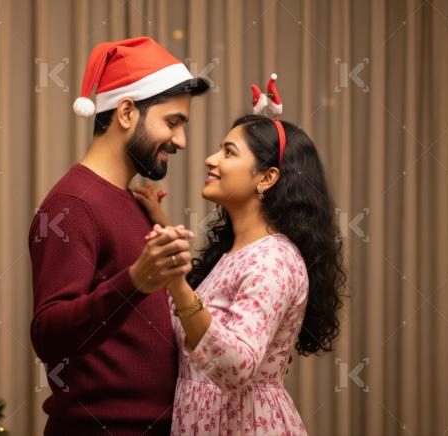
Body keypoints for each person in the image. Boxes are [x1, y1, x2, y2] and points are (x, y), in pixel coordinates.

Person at [134, 76, 346, 435]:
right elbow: (208, 323)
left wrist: (177, 284)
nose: (210, 159)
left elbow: (235, 366)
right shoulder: (234, 255)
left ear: (266, 178)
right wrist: (162, 224)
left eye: (228, 152)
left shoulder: (273, 261)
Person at [29, 36, 209, 435]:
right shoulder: (72, 205)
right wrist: (134, 282)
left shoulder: (131, 201)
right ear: (127, 112)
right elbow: (48, 335)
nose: (181, 141)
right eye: (173, 122)